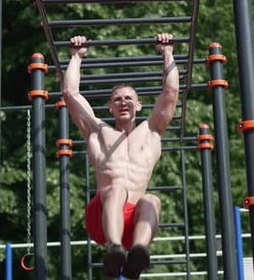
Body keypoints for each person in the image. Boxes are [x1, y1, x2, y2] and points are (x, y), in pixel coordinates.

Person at [62, 33, 179, 279]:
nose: (123, 102)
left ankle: (138, 254)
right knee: (117, 189)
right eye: (117, 99)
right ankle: (113, 250)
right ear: (110, 108)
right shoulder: (98, 132)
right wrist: (76, 57)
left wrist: (167, 52)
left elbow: (170, 93)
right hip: (103, 219)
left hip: (135, 223)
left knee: (153, 200)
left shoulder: (152, 132)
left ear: (139, 106)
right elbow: (71, 94)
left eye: (128, 98)